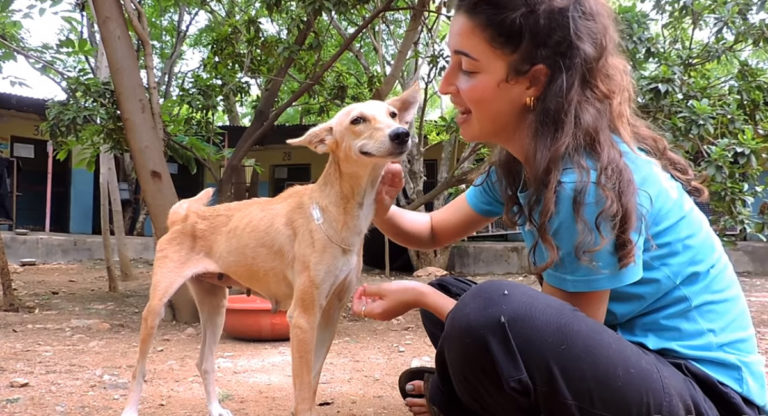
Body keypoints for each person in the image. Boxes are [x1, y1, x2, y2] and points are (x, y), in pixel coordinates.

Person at [349, 0, 768, 415]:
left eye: (468, 68)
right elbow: (431, 231)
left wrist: (419, 295)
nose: (445, 85)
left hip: (707, 396)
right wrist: (382, 208)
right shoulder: (521, 165)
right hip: (639, 366)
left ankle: (457, 395)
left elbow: (564, 335)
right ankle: (459, 391)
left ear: (533, 82)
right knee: (452, 298)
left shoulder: (581, 183)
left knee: (485, 313)